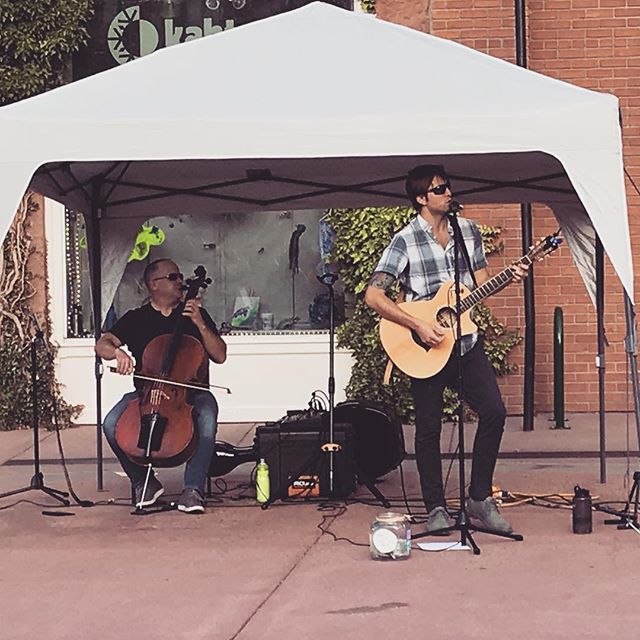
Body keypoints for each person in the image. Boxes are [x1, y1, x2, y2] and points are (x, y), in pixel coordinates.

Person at [364, 165, 527, 534]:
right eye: (439, 189)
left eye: (448, 186)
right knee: (428, 428)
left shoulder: (467, 231)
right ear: (421, 198)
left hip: (466, 341)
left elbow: (481, 283)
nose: (448, 193)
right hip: (425, 345)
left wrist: (510, 275)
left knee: (495, 413)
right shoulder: (404, 240)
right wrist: (417, 324)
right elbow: (374, 295)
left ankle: (479, 498)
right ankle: (435, 507)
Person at [96, 259, 227, 514]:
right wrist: (117, 354)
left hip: (190, 395)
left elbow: (220, 355)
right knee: (111, 423)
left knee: (207, 417)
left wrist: (200, 322)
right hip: (146, 393)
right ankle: (143, 481)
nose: (180, 282)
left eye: (180, 277)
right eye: (174, 277)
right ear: (154, 284)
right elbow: (103, 343)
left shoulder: (194, 314)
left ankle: (193, 489)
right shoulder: (137, 318)